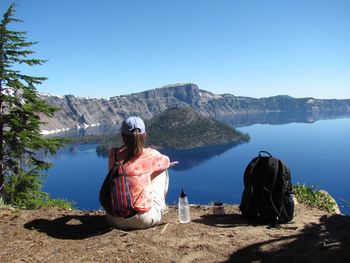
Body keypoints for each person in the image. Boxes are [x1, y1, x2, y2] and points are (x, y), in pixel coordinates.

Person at [106, 116, 170, 230]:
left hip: (112, 219)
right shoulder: (151, 154)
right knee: (162, 171)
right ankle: (161, 207)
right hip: (142, 220)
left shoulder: (113, 153)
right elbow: (167, 162)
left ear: (122, 136)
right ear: (144, 135)